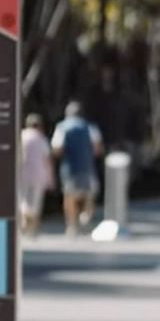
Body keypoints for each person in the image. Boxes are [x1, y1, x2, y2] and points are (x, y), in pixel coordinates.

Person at [51, 101, 103, 239]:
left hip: (69, 168)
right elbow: (98, 148)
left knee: (69, 197)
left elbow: (56, 149)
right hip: (87, 167)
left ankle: (72, 225)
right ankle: (85, 216)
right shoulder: (90, 127)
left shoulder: (61, 127)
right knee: (89, 195)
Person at [19, 114, 55, 240]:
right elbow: (47, 160)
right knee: (35, 203)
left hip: (22, 173)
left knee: (22, 199)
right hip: (39, 175)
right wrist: (51, 178)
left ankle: (23, 218)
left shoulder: (21, 136)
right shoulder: (41, 138)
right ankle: (32, 230)